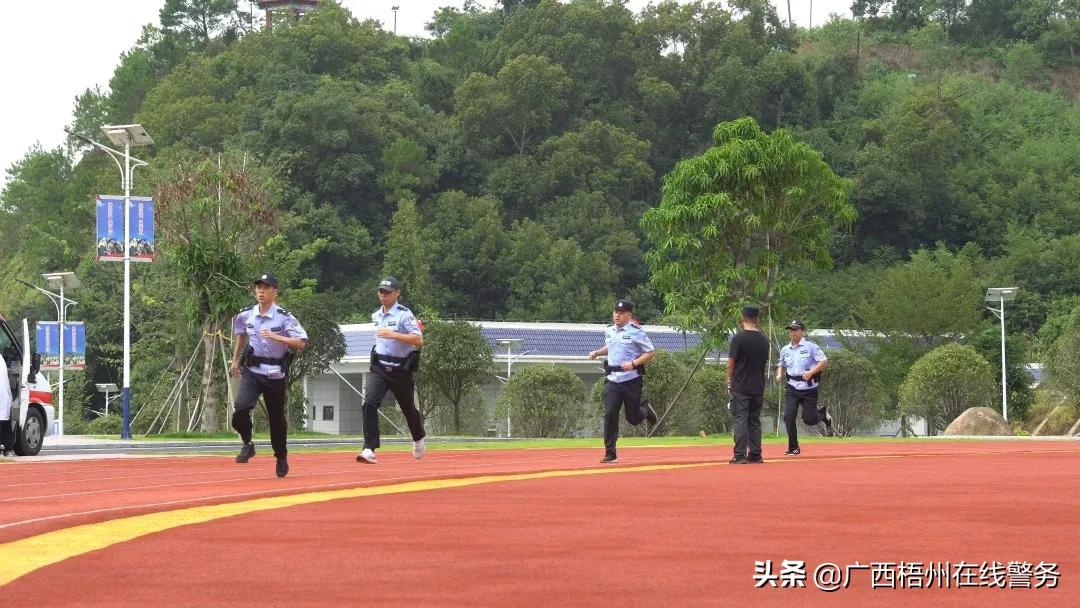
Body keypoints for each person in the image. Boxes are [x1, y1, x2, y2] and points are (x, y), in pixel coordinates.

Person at [230, 274, 308, 478]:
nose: (261, 291)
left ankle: (281, 456)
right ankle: (248, 444)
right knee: (240, 409)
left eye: (266, 287)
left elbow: (301, 343)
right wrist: (235, 359)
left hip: (275, 374)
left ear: (275, 291)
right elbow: (241, 335)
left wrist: (277, 336)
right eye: (258, 287)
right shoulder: (246, 315)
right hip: (252, 371)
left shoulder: (284, 317)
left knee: (276, 419)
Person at [356, 277, 427, 465]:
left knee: (408, 409)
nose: (383, 295)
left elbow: (418, 340)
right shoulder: (376, 316)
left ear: (397, 293)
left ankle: (418, 438)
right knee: (369, 403)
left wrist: (393, 334)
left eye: (387, 292)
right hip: (380, 368)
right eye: (381, 292)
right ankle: (369, 448)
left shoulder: (404, 315)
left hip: (401, 370)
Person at [587, 299, 657, 464]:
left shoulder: (636, 332)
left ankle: (645, 410)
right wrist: (597, 353)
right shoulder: (609, 331)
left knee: (632, 418)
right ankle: (610, 453)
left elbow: (651, 353)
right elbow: (611, 347)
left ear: (629, 315)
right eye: (615, 312)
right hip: (613, 379)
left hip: (631, 379)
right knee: (610, 414)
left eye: (621, 313)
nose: (617, 315)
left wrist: (633, 363)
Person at [776, 319, 831, 456]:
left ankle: (823, 414)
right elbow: (781, 364)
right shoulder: (785, 349)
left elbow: (824, 361)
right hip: (792, 389)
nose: (793, 332)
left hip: (809, 390)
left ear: (803, 331)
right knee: (788, 417)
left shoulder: (810, 346)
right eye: (791, 330)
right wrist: (779, 375)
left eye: (796, 329)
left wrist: (811, 372)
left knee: (809, 420)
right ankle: (793, 447)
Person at [727, 305, 770, 464]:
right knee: (754, 420)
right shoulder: (764, 340)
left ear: (742, 318)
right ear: (757, 319)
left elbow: (731, 364)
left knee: (740, 419)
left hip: (741, 386)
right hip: (758, 386)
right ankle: (756, 454)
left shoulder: (739, 339)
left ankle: (739, 455)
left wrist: (729, 382)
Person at [0, 353, 13, 456]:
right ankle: (7, 448)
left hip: (3, 396)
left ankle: (7, 448)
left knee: (4, 420)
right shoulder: (1, 359)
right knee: (5, 420)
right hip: (4, 397)